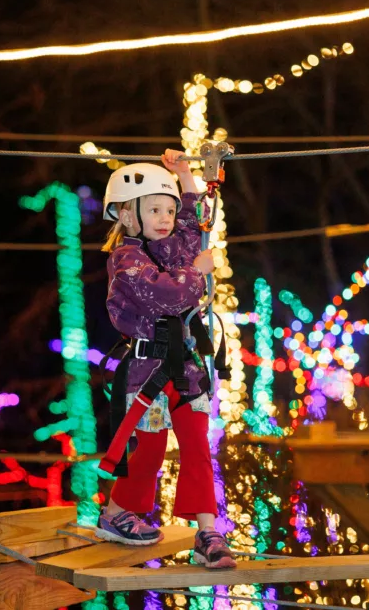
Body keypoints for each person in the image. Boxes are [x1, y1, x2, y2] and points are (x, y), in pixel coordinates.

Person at [95, 149, 236, 569]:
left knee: (197, 446)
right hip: (147, 370)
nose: (165, 218)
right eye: (154, 210)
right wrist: (198, 272)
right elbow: (168, 295)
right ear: (127, 215)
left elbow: (196, 223)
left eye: (169, 210)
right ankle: (117, 512)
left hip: (185, 366)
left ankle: (207, 531)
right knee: (150, 449)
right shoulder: (125, 261)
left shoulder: (174, 248)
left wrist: (185, 175)